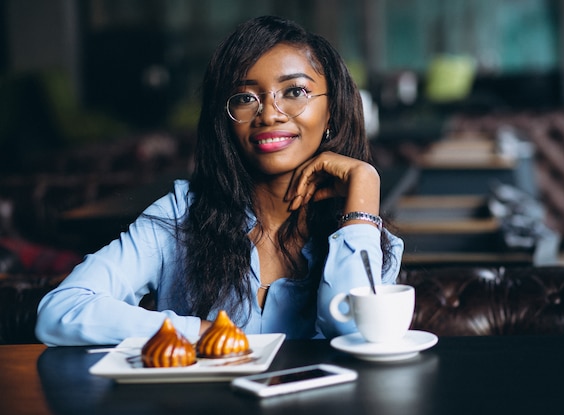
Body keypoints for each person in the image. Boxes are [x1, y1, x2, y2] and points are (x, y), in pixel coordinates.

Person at [35, 15, 404, 346]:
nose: (269, 114)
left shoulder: (364, 237)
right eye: (245, 97)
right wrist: (202, 332)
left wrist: (364, 183)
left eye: (294, 91)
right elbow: (61, 310)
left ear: (332, 112)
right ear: (226, 120)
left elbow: (353, 332)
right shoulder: (180, 216)